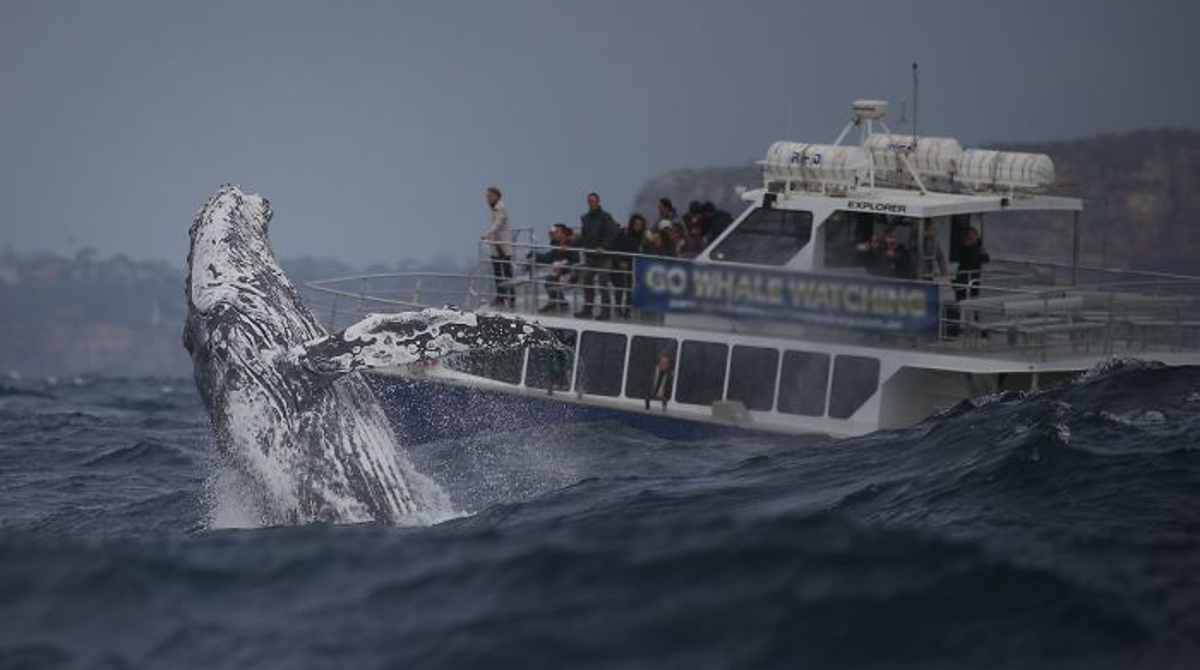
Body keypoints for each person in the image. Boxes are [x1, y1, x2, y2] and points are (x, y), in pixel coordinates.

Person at [575, 192, 619, 320]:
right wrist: (570, 244)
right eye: (589, 201)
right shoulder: (585, 218)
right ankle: (588, 309)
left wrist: (604, 247)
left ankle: (605, 312)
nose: (591, 203)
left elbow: (611, 234)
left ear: (598, 202)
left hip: (603, 257)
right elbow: (584, 237)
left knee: (603, 282)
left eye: (593, 201)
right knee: (587, 280)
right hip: (590, 256)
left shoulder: (606, 217)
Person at [531, 223, 578, 313]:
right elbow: (548, 258)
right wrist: (534, 255)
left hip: (570, 274)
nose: (554, 234)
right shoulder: (557, 245)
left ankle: (555, 302)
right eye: (553, 232)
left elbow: (576, 261)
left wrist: (566, 265)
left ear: (564, 233)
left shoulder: (572, 244)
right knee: (550, 280)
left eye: (556, 232)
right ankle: (559, 302)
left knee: (550, 281)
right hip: (559, 274)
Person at [481, 186, 513, 307]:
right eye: (487, 197)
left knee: (505, 273)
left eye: (489, 196)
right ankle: (502, 297)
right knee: (499, 273)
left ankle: (508, 298)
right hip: (497, 247)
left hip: (502, 247)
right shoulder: (496, 208)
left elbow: (498, 223)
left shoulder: (500, 208)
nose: (487, 199)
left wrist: (487, 234)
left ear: (496, 196)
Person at [612, 214, 650, 318]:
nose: (638, 227)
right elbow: (616, 248)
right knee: (619, 287)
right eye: (636, 224)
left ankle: (627, 310)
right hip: (620, 264)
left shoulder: (643, 238)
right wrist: (620, 262)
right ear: (632, 224)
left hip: (633, 265)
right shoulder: (623, 233)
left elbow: (645, 251)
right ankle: (618, 308)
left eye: (640, 225)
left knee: (630, 288)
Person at [953, 226, 990, 301]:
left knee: (974, 295)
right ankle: (961, 309)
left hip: (975, 275)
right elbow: (967, 255)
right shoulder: (964, 246)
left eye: (973, 234)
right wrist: (971, 246)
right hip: (963, 274)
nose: (971, 236)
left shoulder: (979, 247)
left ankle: (973, 310)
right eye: (969, 234)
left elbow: (986, 259)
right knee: (961, 295)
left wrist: (982, 252)